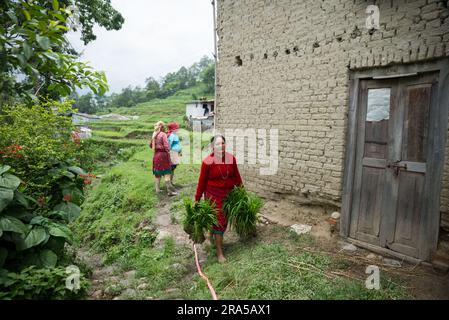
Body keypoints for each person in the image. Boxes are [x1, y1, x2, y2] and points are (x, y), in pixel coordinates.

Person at [194, 135, 243, 263]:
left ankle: (211, 235)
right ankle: (220, 252)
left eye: (223, 143)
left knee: (223, 219)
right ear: (212, 146)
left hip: (228, 195)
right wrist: (197, 199)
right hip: (213, 195)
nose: (221, 146)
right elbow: (202, 182)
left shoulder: (231, 159)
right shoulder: (207, 162)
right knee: (220, 221)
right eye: (217, 144)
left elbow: (237, 177)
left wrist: (242, 192)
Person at [149, 121, 177, 196]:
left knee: (157, 174)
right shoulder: (163, 135)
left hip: (156, 155)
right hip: (163, 155)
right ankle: (170, 192)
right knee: (167, 173)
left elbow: (151, 146)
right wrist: (169, 153)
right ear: (163, 127)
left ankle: (157, 190)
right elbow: (166, 146)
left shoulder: (154, 134)